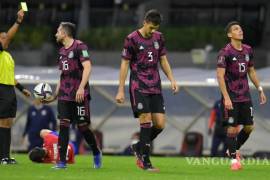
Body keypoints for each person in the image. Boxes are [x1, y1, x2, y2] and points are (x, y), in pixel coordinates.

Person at [115, 9, 179, 172]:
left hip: (155, 87)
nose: (153, 31)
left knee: (160, 124)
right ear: (145, 22)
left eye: (155, 28)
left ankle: (139, 147)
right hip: (139, 86)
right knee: (146, 119)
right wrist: (121, 90)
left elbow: (163, 60)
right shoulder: (131, 39)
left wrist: (172, 79)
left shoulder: (159, 37)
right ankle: (145, 161)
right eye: (151, 28)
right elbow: (124, 64)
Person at [44, 22, 102, 169]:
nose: (56, 34)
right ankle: (61, 162)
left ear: (64, 33)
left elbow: (88, 67)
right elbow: (62, 75)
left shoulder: (80, 47)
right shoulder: (62, 51)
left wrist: (81, 88)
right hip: (64, 95)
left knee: (82, 127)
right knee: (63, 126)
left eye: (58, 31)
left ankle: (96, 152)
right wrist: (55, 95)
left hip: (79, 95)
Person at [216, 21, 267, 170]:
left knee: (249, 127)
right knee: (232, 128)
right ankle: (233, 161)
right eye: (236, 29)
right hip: (231, 96)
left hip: (245, 96)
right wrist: (225, 97)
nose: (240, 31)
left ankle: (232, 149)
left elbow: (251, 71)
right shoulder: (224, 53)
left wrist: (260, 88)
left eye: (240, 29)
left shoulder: (248, 50)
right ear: (229, 34)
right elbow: (220, 76)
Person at [0, 9, 31, 165]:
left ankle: (6, 156)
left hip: (9, 90)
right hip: (1, 89)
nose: (7, 38)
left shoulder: (8, 55)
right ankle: (2, 156)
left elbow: (10, 77)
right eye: (3, 37)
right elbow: (10, 36)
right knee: (2, 122)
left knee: (8, 122)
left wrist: (21, 88)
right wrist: (18, 21)